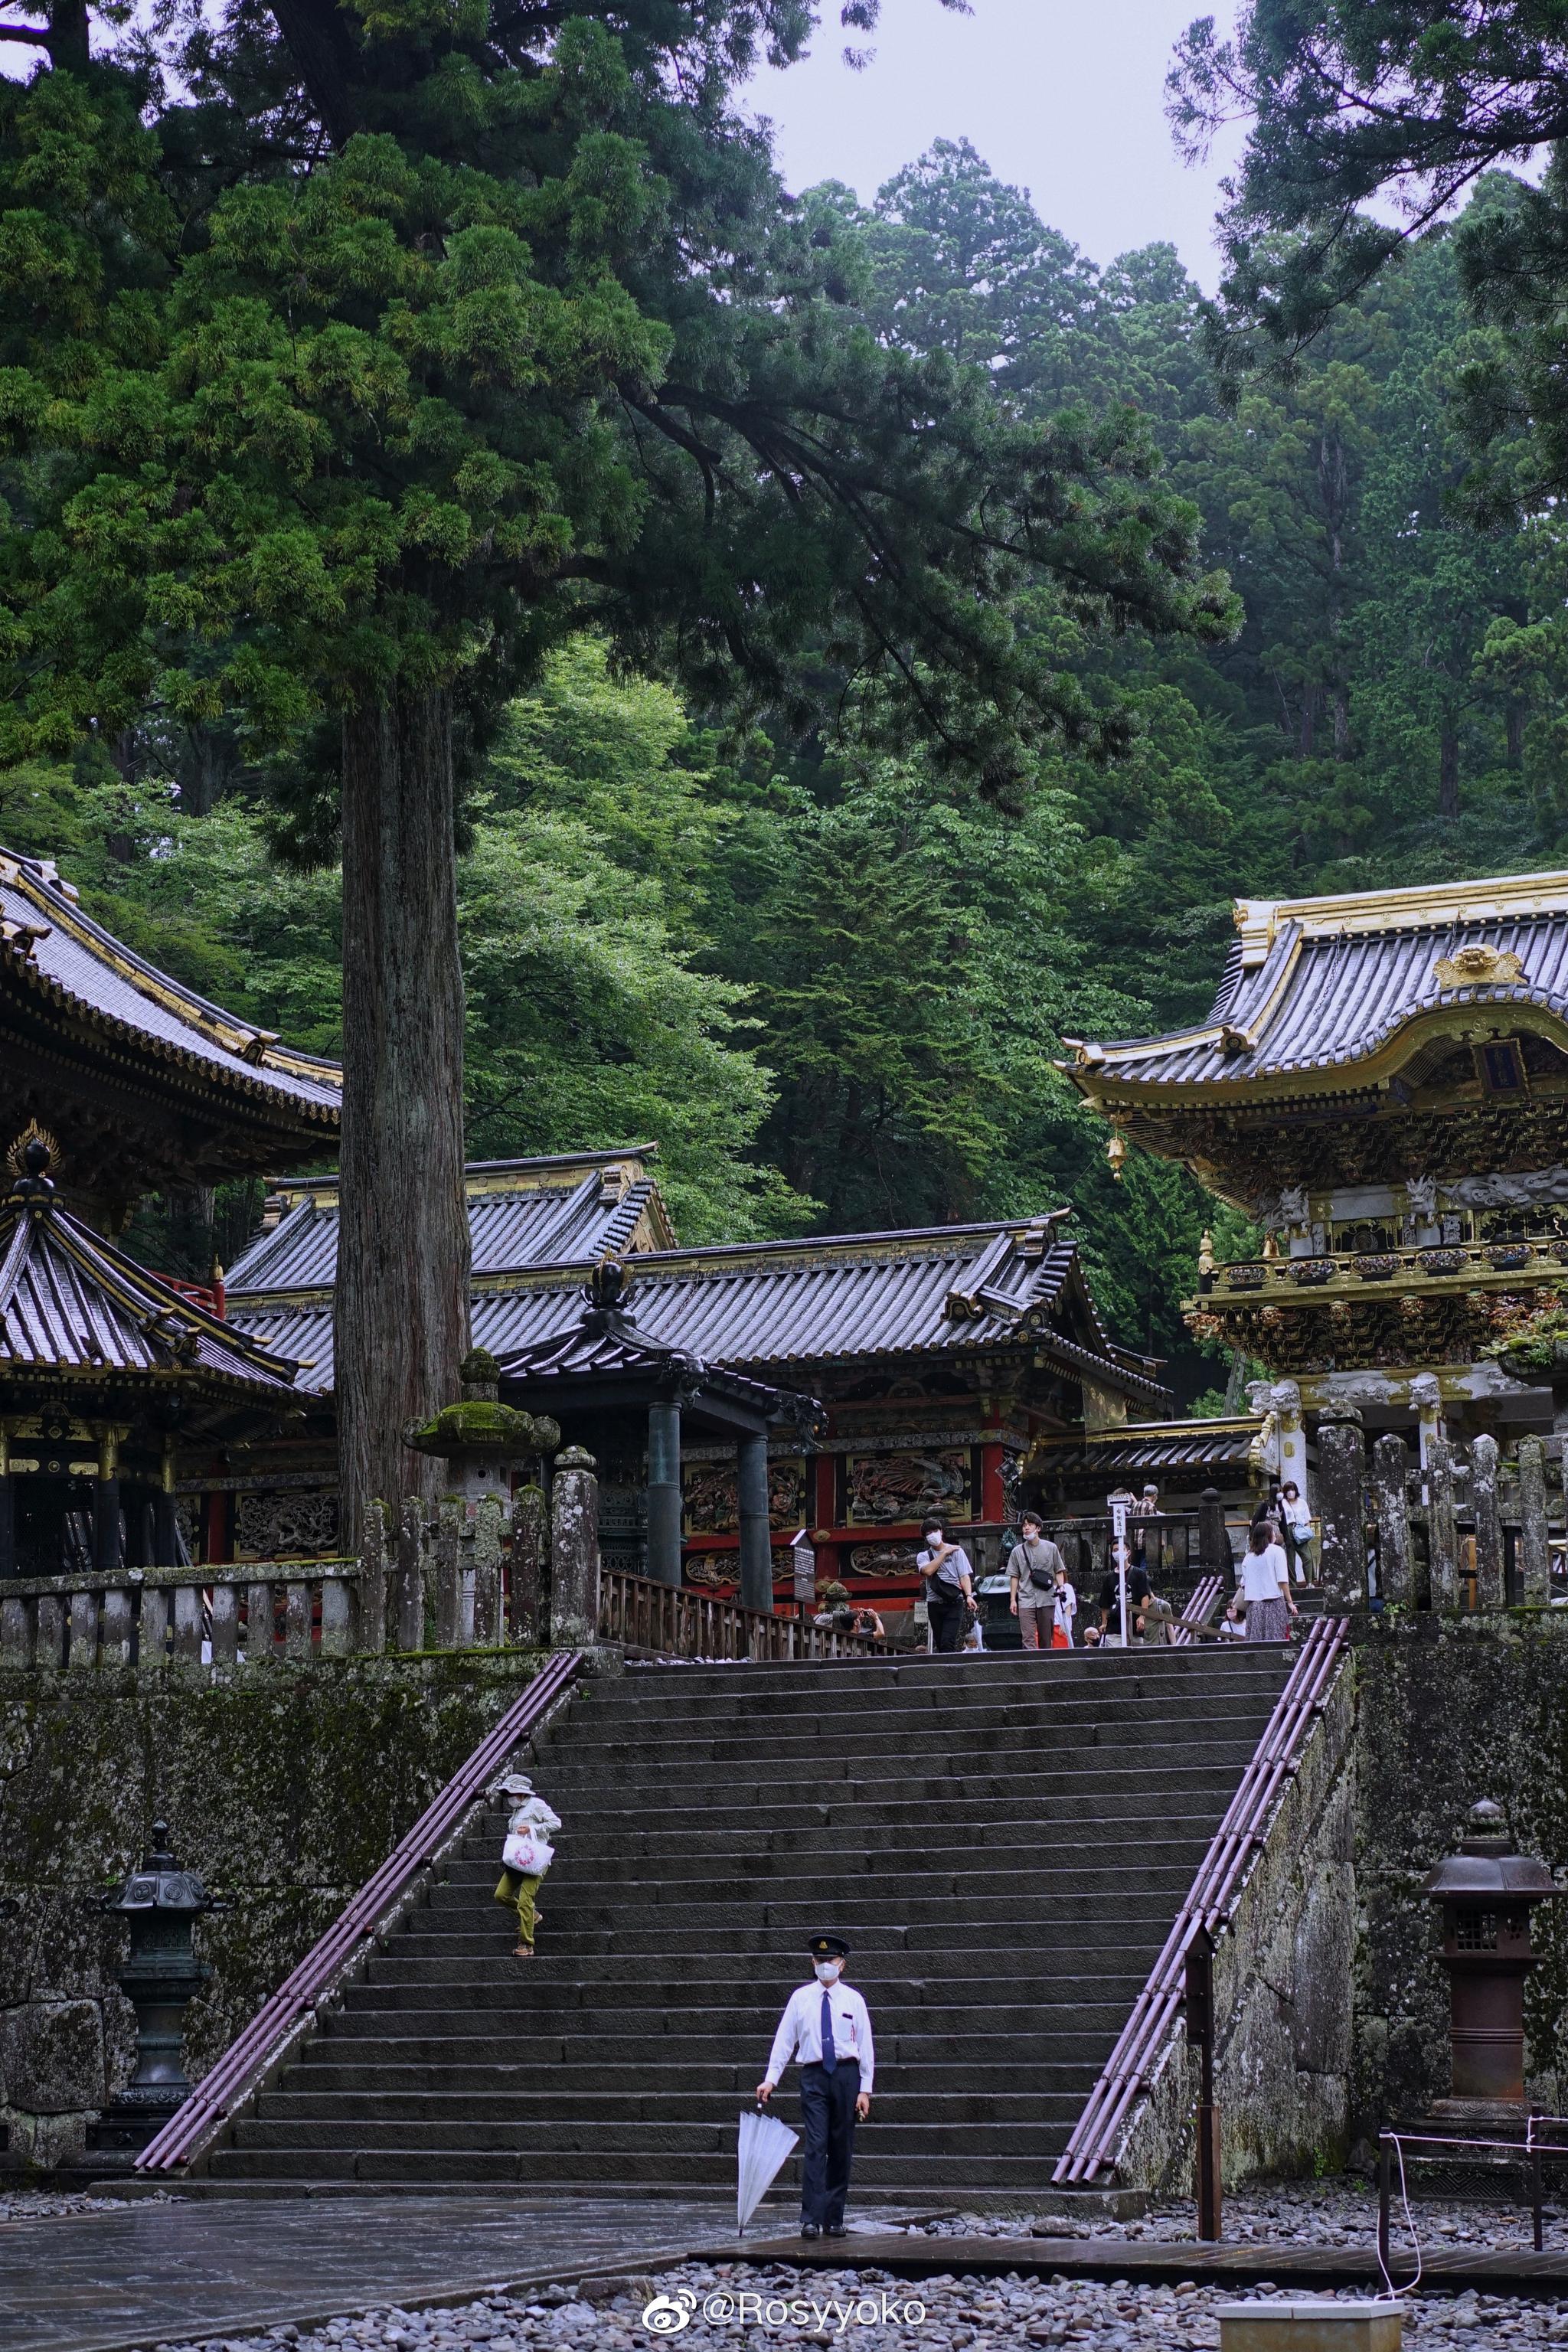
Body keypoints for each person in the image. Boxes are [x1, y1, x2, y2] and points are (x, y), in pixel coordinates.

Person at [757, 1931, 875, 2239]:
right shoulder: (800, 1998)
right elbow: (785, 2041)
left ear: (842, 1965)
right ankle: (810, 2217)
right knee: (815, 2145)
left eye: (831, 1960)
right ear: (813, 1962)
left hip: (846, 2075)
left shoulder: (854, 2000)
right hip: (813, 2075)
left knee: (841, 2147)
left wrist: (865, 2089)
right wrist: (771, 2079)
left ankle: (834, 2217)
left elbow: (866, 2045)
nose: (826, 1965)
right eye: (820, 1960)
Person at [492, 1770, 560, 1959]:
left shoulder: (536, 1805)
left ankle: (527, 1944)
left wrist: (533, 1828)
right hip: (518, 1860)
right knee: (501, 1895)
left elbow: (556, 1823)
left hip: (535, 1860)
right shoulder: (516, 1810)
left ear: (520, 1792)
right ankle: (532, 1916)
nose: (508, 1798)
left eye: (510, 1793)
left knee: (525, 1900)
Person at [1006, 1511, 1069, 1651]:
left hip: (1046, 1598)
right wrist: (1012, 1599)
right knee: (1028, 1637)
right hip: (1025, 1598)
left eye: (1030, 1525)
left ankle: (1045, 1667)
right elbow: (1014, 1576)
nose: (1026, 1528)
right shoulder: (1017, 1551)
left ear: (1038, 1528)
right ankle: (1030, 1667)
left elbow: (1059, 1570)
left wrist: (1061, 1587)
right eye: (1024, 1525)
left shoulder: (1051, 1547)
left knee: (1046, 1637)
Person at [918, 1520, 975, 1654]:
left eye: (935, 1531)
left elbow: (964, 1575)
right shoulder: (923, 1556)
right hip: (934, 1603)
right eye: (929, 1533)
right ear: (925, 1538)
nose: (933, 1535)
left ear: (941, 1532)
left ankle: (949, 1673)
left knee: (947, 1641)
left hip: (954, 1601)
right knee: (940, 1643)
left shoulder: (957, 1551)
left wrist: (969, 1596)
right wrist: (944, 1553)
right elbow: (927, 1571)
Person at [1237, 1521, 1298, 1643]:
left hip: (1254, 1606)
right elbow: (1282, 1580)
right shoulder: (1277, 1551)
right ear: (1269, 1535)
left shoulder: (1248, 1556)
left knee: (1256, 1642)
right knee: (1276, 1640)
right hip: (1274, 1603)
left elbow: (1244, 1582)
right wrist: (1290, 1602)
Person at [1279, 1481, 1317, 1586]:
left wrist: (1307, 1531)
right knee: (1290, 1560)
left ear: (1296, 1490)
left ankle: (1309, 1582)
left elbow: (1307, 1519)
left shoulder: (1302, 1502)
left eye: (1293, 1490)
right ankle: (1292, 1584)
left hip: (1300, 1530)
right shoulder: (1282, 1503)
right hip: (1288, 1529)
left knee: (1307, 1557)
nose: (1291, 1492)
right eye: (1288, 1490)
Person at [1050, 1558, 1078, 1650]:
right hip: (1047, 1624)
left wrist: (1064, 1623)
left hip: (1060, 1625)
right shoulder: (1045, 1588)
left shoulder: (1067, 1587)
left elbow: (1068, 1607)